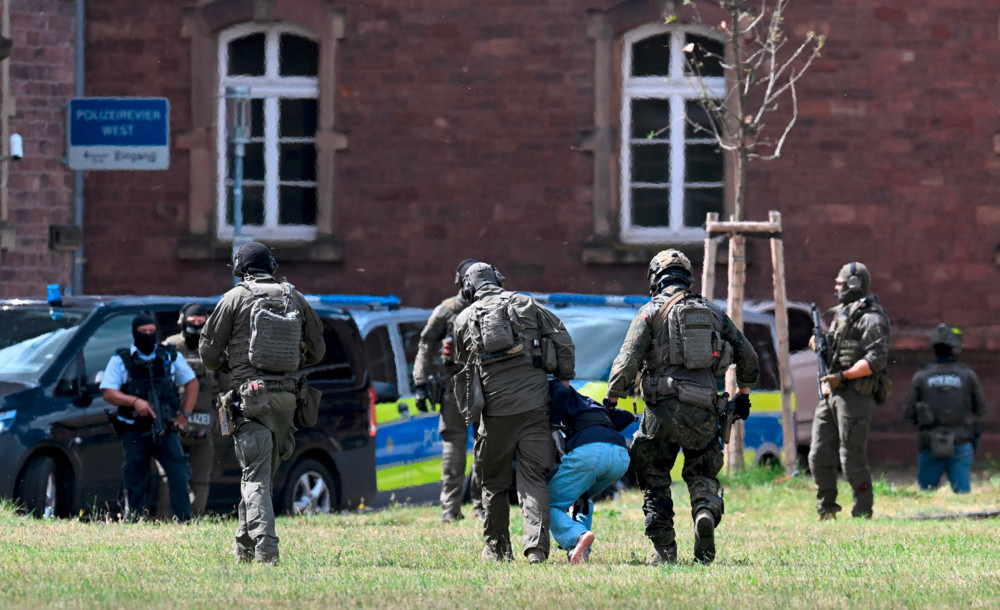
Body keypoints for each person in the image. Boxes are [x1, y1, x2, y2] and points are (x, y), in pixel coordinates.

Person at [604, 249, 758, 565]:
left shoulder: (649, 313)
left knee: (655, 474)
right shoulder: (713, 313)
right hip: (704, 409)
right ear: (687, 277)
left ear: (655, 279)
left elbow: (626, 361)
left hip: (659, 412)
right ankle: (703, 512)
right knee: (702, 471)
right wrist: (742, 394)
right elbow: (749, 357)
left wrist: (611, 401)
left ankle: (665, 552)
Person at [199, 241, 325, 565]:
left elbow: (208, 353)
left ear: (240, 268)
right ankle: (243, 548)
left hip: (251, 398)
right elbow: (318, 349)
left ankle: (267, 553)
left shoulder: (234, 298)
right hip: (288, 397)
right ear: (271, 266)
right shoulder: (294, 296)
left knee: (254, 478)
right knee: (261, 478)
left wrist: (229, 366)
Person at [453, 262, 575, 564]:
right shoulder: (527, 303)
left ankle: (496, 550)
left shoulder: (464, 319)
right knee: (533, 478)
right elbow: (563, 340)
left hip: (493, 416)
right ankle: (535, 550)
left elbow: (462, 365)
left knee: (493, 483)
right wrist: (563, 377)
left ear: (468, 288)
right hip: (535, 408)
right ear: (499, 280)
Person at [808, 261, 891, 520]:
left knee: (851, 456)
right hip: (831, 394)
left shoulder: (872, 318)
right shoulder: (842, 314)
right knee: (818, 454)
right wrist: (818, 344)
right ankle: (826, 508)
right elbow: (835, 350)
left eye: (841, 284)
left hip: (855, 395)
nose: (836, 288)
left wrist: (843, 376)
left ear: (854, 285)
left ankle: (862, 511)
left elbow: (876, 359)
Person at [100, 312, 198, 522]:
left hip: (165, 428)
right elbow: (108, 391)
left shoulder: (169, 356)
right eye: (143, 332)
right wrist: (134, 402)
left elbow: (191, 382)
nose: (147, 335)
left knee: (179, 473)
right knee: (135, 476)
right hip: (134, 428)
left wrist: (184, 415)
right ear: (135, 333)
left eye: (151, 332)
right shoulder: (121, 359)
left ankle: (184, 520)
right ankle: (134, 520)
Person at [412, 257, 485, 523]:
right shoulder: (492, 306)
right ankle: (481, 508)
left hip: (455, 385)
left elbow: (425, 345)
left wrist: (420, 383)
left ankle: (450, 510)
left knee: (454, 446)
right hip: (486, 386)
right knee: (484, 447)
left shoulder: (446, 309)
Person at [547, 380, 635, 564]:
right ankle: (581, 554)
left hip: (590, 452)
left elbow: (561, 390)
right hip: (620, 455)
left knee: (547, 504)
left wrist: (553, 425)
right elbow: (625, 417)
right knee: (582, 496)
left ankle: (577, 537)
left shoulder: (557, 389)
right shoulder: (590, 403)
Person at [156, 303, 230, 517]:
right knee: (170, 478)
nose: (196, 327)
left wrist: (222, 423)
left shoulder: (215, 350)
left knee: (200, 480)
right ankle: (165, 522)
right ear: (182, 322)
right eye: (192, 322)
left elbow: (227, 391)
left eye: (201, 323)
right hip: (173, 425)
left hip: (205, 426)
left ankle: (192, 522)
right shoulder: (171, 346)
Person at [902, 324, 988, 494]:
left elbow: (907, 413)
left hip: (929, 443)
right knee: (962, 495)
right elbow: (982, 409)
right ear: (956, 348)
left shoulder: (922, 376)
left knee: (926, 494)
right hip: (961, 442)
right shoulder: (967, 375)